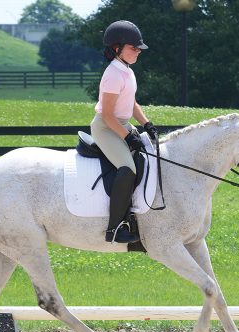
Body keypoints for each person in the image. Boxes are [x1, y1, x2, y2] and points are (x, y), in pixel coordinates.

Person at [91, 20, 159, 244]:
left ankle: (136, 215)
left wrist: (146, 124)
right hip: (106, 127)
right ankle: (114, 229)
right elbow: (108, 116)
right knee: (127, 168)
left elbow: (131, 103)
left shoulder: (127, 71)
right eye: (134, 47)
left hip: (121, 124)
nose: (138, 51)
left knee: (147, 159)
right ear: (117, 48)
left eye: (139, 48)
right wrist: (128, 136)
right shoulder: (113, 74)